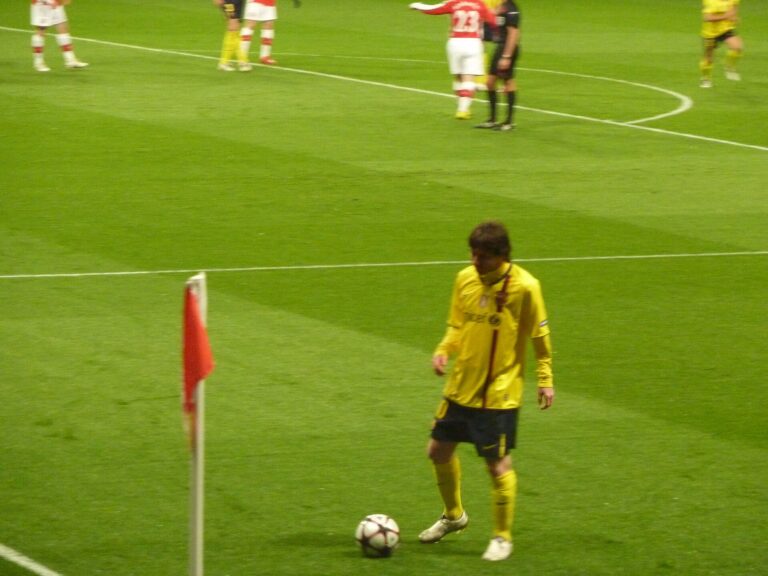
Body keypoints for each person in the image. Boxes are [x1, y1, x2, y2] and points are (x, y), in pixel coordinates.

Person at [420, 220, 554, 562]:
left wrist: (545, 378)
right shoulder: (464, 278)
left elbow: (539, 337)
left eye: (483, 257)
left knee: (497, 465)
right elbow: (457, 324)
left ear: (502, 255)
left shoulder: (526, 287)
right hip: (461, 386)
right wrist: (443, 349)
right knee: (437, 452)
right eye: (473, 254)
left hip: (498, 394)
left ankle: (502, 537)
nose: (475, 262)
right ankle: (454, 516)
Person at [409, 1, 496, 120]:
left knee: (458, 77)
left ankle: (461, 107)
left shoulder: (453, 3)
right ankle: (463, 110)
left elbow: (433, 9)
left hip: (455, 43)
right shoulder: (480, 4)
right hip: (473, 43)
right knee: (468, 77)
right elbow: (493, 21)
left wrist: (418, 6)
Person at [476, 0, 521, 132]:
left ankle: (508, 122)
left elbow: (513, 33)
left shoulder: (511, 8)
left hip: (508, 49)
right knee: (490, 82)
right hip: (500, 47)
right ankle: (492, 120)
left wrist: (507, 56)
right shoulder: (501, 6)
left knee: (508, 82)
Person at [30, 0, 88, 72]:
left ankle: (70, 60)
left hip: (56, 3)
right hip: (42, 4)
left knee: (62, 27)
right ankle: (38, 62)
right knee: (41, 30)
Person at [699, 0, 744, 88]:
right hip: (710, 33)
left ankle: (729, 67)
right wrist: (726, 16)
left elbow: (734, 7)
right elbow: (707, 18)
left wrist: (734, 17)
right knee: (708, 58)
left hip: (726, 29)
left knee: (737, 47)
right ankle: (705, 78)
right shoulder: (711, 1)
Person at [240, 0, 278, 68]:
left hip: (270, 2)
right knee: (251, 24)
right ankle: (242, 55)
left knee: (269, 25)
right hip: (255, 2)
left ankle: (265, 56)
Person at [213, 0, 248, 71]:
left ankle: (225, 62)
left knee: (234, 29)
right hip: (230, 2)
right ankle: (242, 61)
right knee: (233, 28)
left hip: (238, 2)